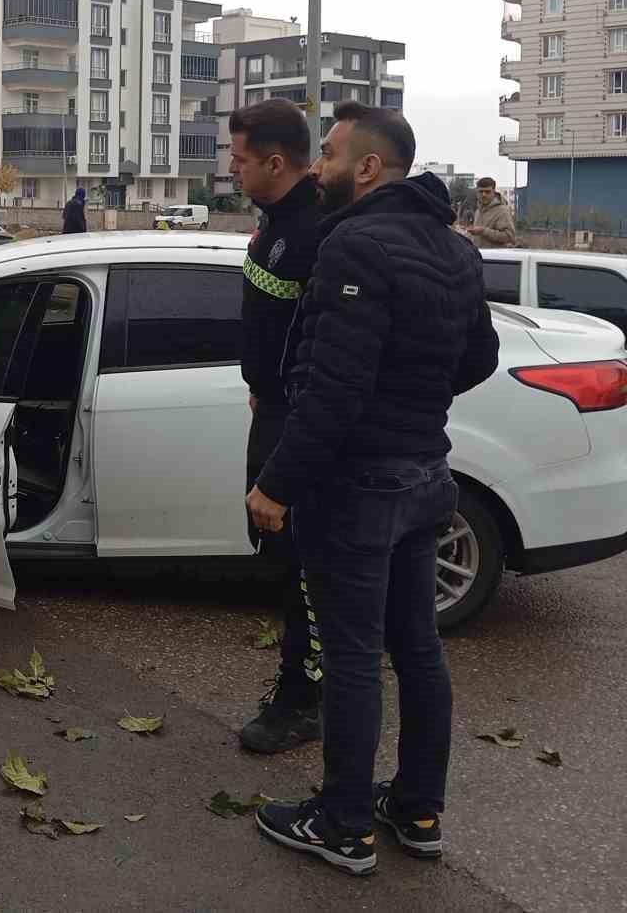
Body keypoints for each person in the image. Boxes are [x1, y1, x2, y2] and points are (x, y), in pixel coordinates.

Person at [249, 103, 499, 876]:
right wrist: (416, 396)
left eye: (327, 155)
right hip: (428, 473)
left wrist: (275, 486)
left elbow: (332, 387)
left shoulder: (354, 241)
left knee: (354, 658)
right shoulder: (455, 250)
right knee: (418, 651)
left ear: (366, 167)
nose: (317, 168)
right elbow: (479, 356)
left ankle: (345, 824)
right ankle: (418, 809)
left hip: (359, 487)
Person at [227, 99, 325, 755]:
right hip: (271, 410)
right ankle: (299, 685)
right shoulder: (275, 224)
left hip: (297, 422)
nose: (230, 169)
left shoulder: (319, 230)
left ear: (274, 161)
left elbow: (324, 346)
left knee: (304, 573)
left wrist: (284, 401)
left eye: (238, 159)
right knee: (281, 565)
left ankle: (304, 701)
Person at [464, 177, 516, 248]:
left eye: (487, 192)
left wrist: (483, 231)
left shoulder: (502, 211)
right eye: (481, 191)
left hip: (495, 257)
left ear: (494, 192)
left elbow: (510, 237)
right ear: (476, 193)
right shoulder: (478, 211)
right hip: (480, 256)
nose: (484, 195)